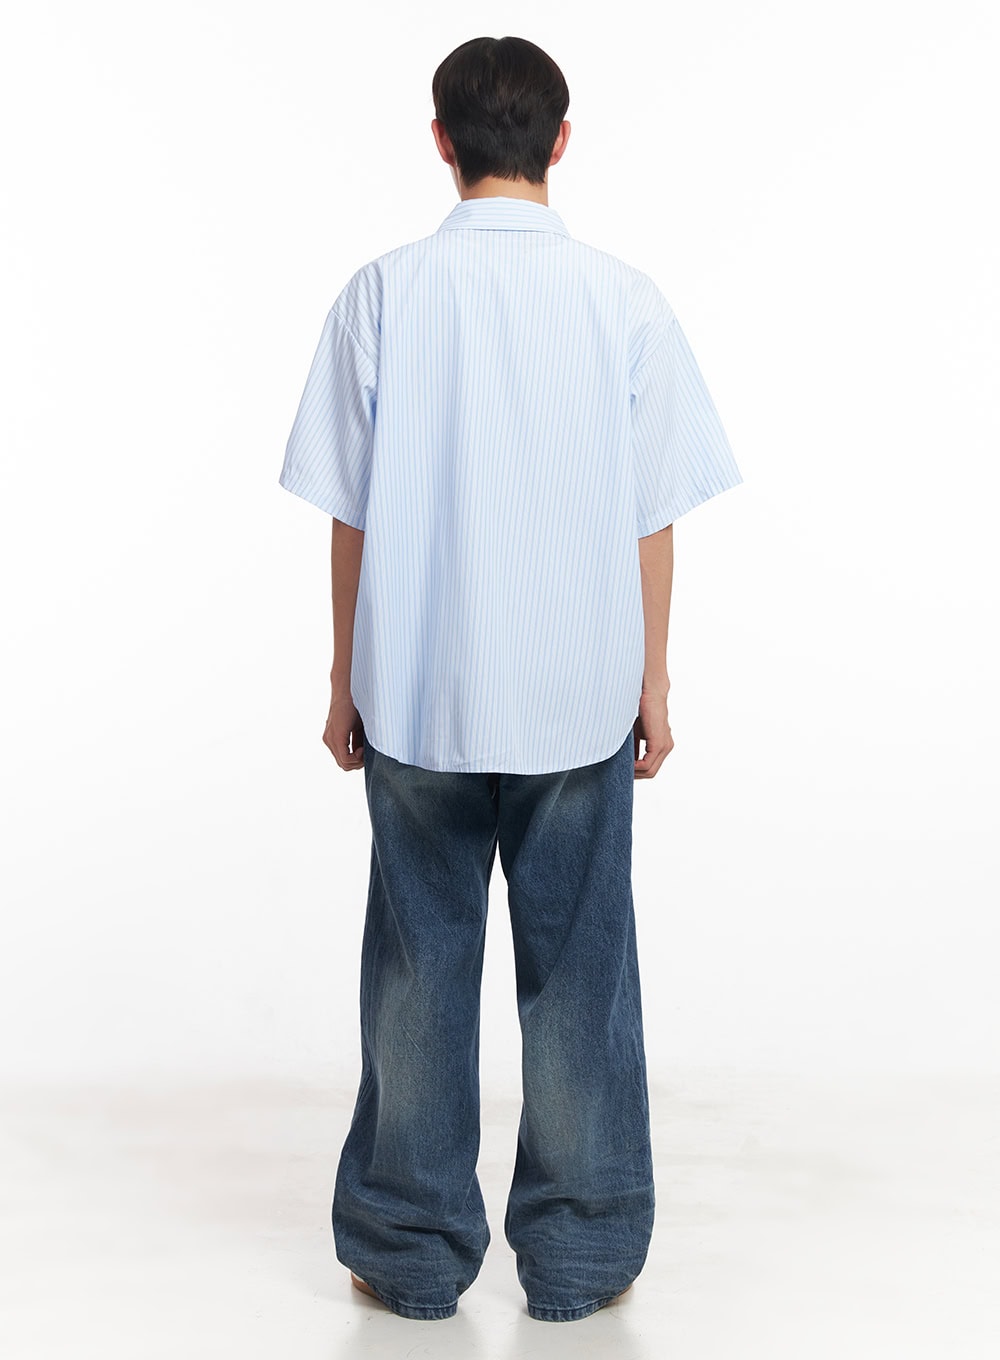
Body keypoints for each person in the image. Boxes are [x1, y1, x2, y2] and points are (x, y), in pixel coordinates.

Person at [278, 34, 743, 1324]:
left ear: (440, 140)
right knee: (581, 976)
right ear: (562, 140)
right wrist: (654, 680)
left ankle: (408, 1250)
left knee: (417, 971)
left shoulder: (382, 294)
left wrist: (343, 676)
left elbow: (350, 512)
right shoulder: (622, 300)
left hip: (418, 689)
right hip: (576, 691)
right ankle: (584, 1253)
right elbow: (653, 512)